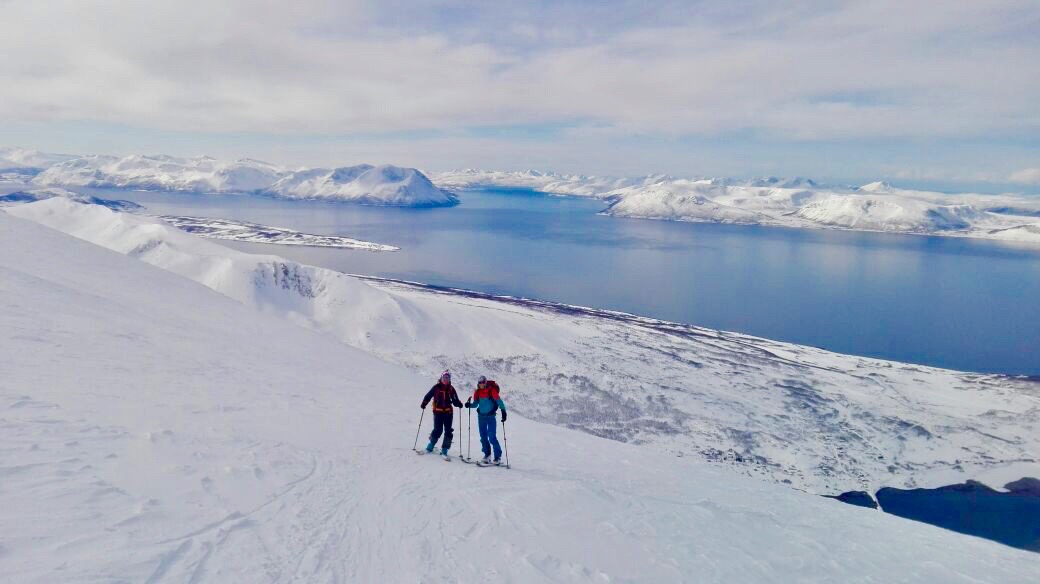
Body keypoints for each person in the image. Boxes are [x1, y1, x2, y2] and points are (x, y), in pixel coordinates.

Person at [420, 370, 463, 456]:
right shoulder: (436, 387)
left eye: (447, 378)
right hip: (437, 412)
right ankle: (430, 446)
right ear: (441, 378)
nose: (445, 379)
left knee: (448, 431)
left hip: (448, 412)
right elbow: (428, 395)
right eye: (444, 378)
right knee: (438, 430)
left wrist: (459, 404)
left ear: (449, 379)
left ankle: (444, 450)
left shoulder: (451, 389)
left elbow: (455, 400)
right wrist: (424, 403)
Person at [465, 375, 507, 464]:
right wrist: (469, 405)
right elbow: (476, 404)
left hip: (491, 417)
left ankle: (497, 457)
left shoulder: (492, 391)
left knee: (492, 437)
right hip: (481, 417)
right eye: (480, 383)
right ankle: (487, 455)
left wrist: (503, 411)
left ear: (485, 382)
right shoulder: (477, 392)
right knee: (483, 437)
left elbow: (499, 401)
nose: (481, 384)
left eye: (483, 382)